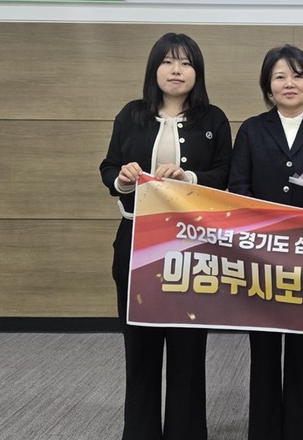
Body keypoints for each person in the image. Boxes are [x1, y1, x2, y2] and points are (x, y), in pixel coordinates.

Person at [99, 33, 232, 440]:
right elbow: (108, 167)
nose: (177, 71)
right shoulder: (131, 115)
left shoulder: (213, 119)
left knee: (188, 348)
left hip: (193, 248)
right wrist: (122, 179)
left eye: (186, 63)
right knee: (140, 348)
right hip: (137, 244)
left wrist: (189, 177)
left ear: (198, 72)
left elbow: (225, 175)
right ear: (154, 69)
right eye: (168, 62)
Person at [228, 44, 303, 440]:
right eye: (280, 76)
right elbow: (238, 187)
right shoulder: (251, 129)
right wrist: (263, 232)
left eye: (298, 75)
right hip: (260, 255)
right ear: (268, 86)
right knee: (263, 351)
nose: (289, 83)